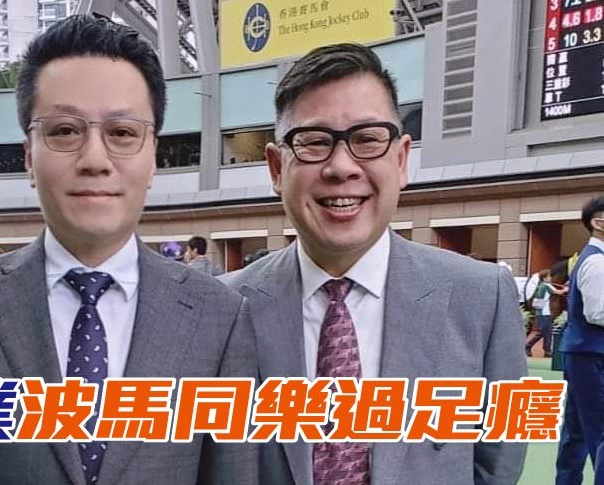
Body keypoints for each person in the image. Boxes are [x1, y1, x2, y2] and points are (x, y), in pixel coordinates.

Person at [0, 15, 257, 485]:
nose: (94, 159)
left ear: (153, 155)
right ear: (29, 156)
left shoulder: (220, 316)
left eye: (122, 133)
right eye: (64, 131)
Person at [222, 43, 527, 484]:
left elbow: (496, 465)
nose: (341, 167)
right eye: (314, 142)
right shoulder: (224, 309)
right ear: (275, 168)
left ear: (401, 160)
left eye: (366, 139)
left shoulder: (480, 298)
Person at [556, 196, 604, 485]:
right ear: (598, 223)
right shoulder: (597, 262)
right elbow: (598, 313)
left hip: (583, 353)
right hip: (593, 355)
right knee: (599, 431)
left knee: (576, 431)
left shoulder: (592, 258)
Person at [525, 268, 567, 357]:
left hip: (541, 312)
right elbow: (559, 292)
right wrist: (567, 288)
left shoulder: (540, 285)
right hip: (544, 312)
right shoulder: (547, 286)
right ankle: (528, 346)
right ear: (544, 278)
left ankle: (547, 350)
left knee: (547, 331)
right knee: (543, 331)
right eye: (549, 277)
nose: (551, 278)